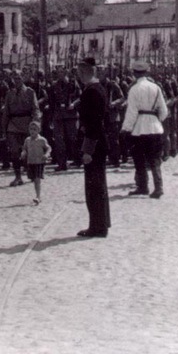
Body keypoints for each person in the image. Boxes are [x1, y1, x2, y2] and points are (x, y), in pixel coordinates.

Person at [121, 61, 168, 199]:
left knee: (139, 159)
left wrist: (126, 128)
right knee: (155, 159)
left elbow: (132, 112)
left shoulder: (134, 89)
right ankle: (158, 187)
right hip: (155, 127)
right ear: (147, 72)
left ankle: (143, 187)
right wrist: (157, 120)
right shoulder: (156, 87)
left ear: (134, 73)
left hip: (139, 128)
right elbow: (163, 110)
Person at [75, 58, 110, 238]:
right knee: (98, 185)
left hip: (94, 144)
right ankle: (101, 223)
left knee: (94, 187)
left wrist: (88, 150)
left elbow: (94, 123)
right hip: (97, 142)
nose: (79, 75)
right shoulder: (96, 89)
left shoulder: (92, 91)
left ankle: (97, 227)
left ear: (89, 71)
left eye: (82, 72)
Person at [2, 71, 41, 187]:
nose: (17, 80)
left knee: (29, 151)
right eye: (15, 78)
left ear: (23, 78)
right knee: (14, 152)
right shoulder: (9, 93)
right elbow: (6, 112)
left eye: (19, 78)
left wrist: (36, 123)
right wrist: (4, 129)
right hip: (13, 124)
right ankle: (18, 176)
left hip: (27, 124)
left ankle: (32, 173)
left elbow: (35, 109)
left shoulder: (30, 92)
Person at [21, 121, 51, 205]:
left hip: (39, 162)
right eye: (31, 129)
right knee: (34, 179)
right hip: (30, 162)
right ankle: (38, 195)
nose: (32, 131)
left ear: (39, 130)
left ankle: (38, 197)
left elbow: (48, 148)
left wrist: (46, 154)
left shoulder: (42, 140)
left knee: (37, 180)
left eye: (35, 129)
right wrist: (23, 153)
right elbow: (24, 148)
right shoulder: (27, 140)